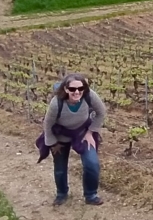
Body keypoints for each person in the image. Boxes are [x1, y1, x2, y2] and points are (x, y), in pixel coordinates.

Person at [34, 73, 107, 206]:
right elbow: (48, 125)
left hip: (82, 133)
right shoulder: (56, 103)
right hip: (61, 134)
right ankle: (61, 194)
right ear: (66, 89)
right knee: (60, 168)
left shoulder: (90, 96)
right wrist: (53, 143)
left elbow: (101, 112)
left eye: (80, 88)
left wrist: (90, 132)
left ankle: (91, 195)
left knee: (92, 164)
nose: (77, 92)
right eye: (72, 89)